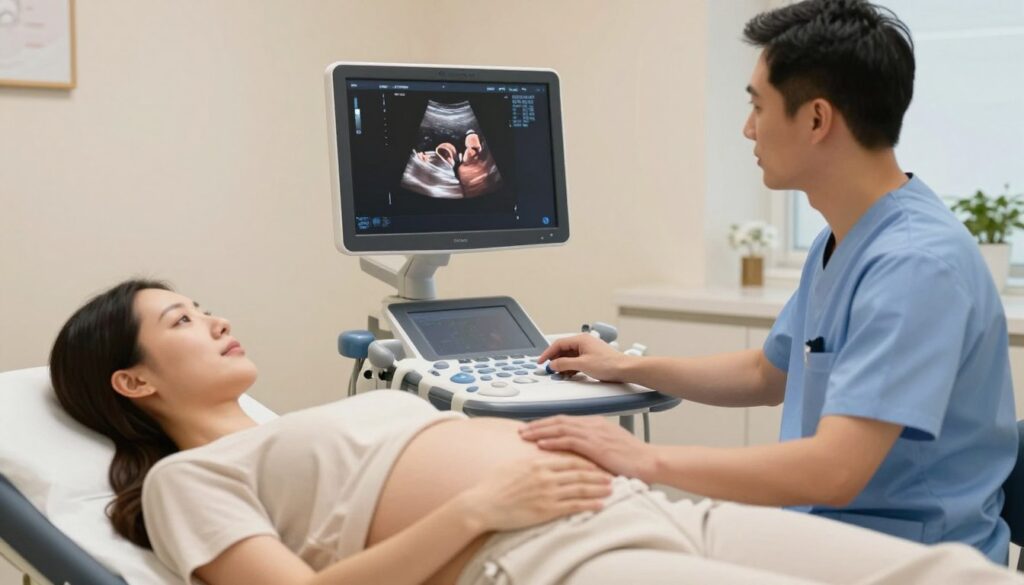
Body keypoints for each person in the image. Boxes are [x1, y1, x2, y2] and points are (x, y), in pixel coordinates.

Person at [48, 279, 1024, 585]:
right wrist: (483, 503)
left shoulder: (303, 417)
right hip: (538, 552)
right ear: (132, 380)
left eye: (201, 306)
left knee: (947, 575)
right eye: (180, 321)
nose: (212, 319)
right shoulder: (187, 481)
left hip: (652, 511)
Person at [521, 0, 1018, 565]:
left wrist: (642, 459)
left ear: (816, 119)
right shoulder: (843, 238)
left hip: (912, 560)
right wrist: (623, 367)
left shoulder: (915, 265)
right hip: (833, 537)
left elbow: (835, 471)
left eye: (758, 106)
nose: (747, 127)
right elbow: (768, 371)